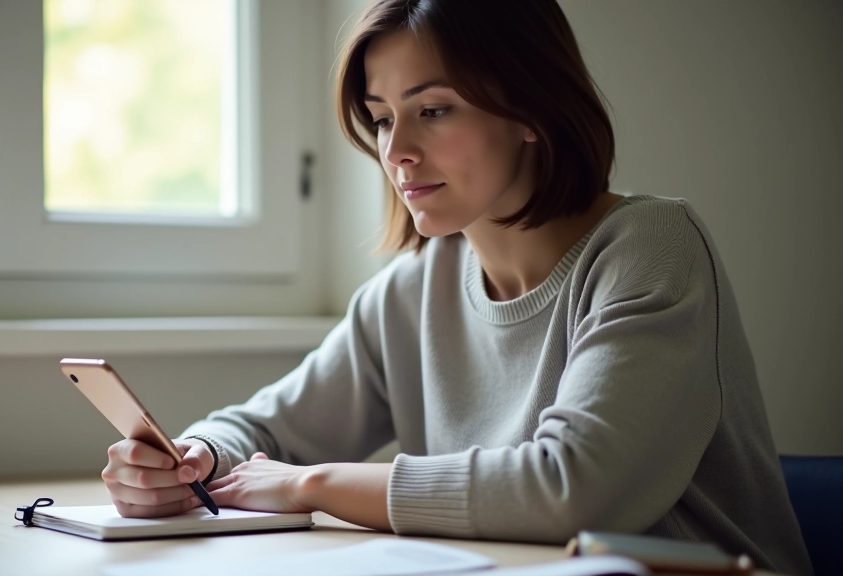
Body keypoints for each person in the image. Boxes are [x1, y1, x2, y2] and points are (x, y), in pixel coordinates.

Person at [101, 1, 811, 573]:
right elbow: (263, 428)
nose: (397, 151)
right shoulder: (410, 292)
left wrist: (308, 484)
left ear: (531, 109)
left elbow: (573, 490)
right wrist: (191, 459)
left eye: (433, 110)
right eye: (381, 119)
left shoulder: (650, 247)